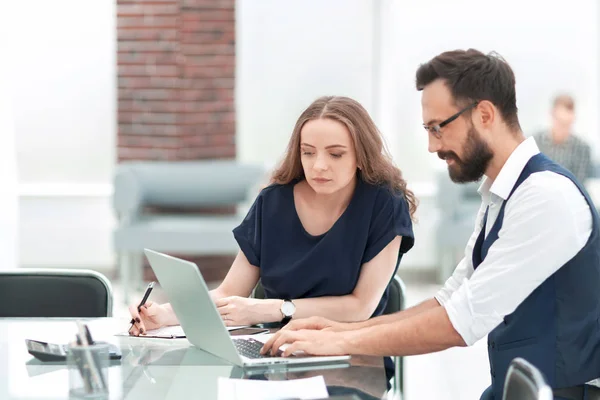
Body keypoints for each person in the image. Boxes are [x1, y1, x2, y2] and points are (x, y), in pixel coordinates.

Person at [261, 50, 600, 400]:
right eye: (427, 129)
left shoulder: (546, 196)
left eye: (439, 127)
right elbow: (449, 299)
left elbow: (459, 321)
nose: (431, 145)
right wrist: (337, 329)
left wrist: (338, 340)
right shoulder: (502, 195)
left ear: (485, 114)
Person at [129, 96, 416, 338]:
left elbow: (360, 306)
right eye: (308, 152)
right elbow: (230, 291)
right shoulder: (273, 201)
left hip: (352, 351)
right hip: (276, 349)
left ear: (361, 156)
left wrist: (273, 309)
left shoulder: (385, 204)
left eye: (336, 155)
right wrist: (166, 314)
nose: (319, 166)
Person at [533, 94, 593, 184]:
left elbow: (579, 184)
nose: (562, 129)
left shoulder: (582, 149)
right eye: (560, 122)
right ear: (552, 115)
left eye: (566, 124)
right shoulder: (536, 142)